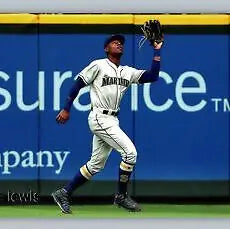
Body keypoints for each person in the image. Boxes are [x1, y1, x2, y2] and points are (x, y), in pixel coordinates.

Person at [52, 34, 163, 214]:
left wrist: (157, 50)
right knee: (130, 153)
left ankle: (64, 192)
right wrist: (66, 108)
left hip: (112, 119)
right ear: (106, 49)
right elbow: (77, 85)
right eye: (114, 42)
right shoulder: (98, 65)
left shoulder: (127, 71)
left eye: (121, 43)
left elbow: (153, 76)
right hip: (99, 117)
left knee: (96, 164)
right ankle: (121, 196)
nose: (119, 44)